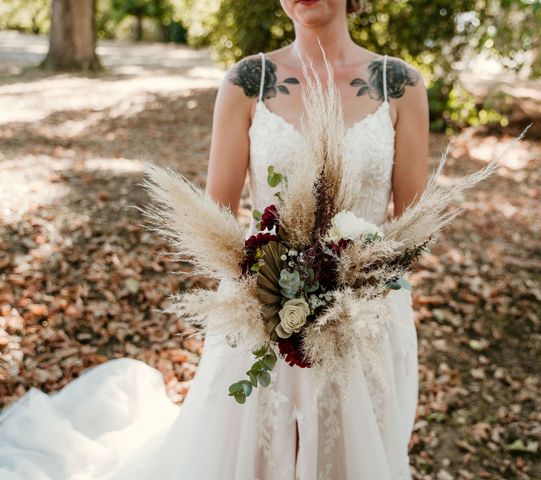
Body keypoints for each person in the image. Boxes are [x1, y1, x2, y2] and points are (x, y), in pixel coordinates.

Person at [0, 1, 430, 478]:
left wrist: (345, 287)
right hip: (263, 312)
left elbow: (411, 229)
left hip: (365, 319)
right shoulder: (248, 81)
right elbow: (218, 219)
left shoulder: (401, 85)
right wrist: (276, 289)